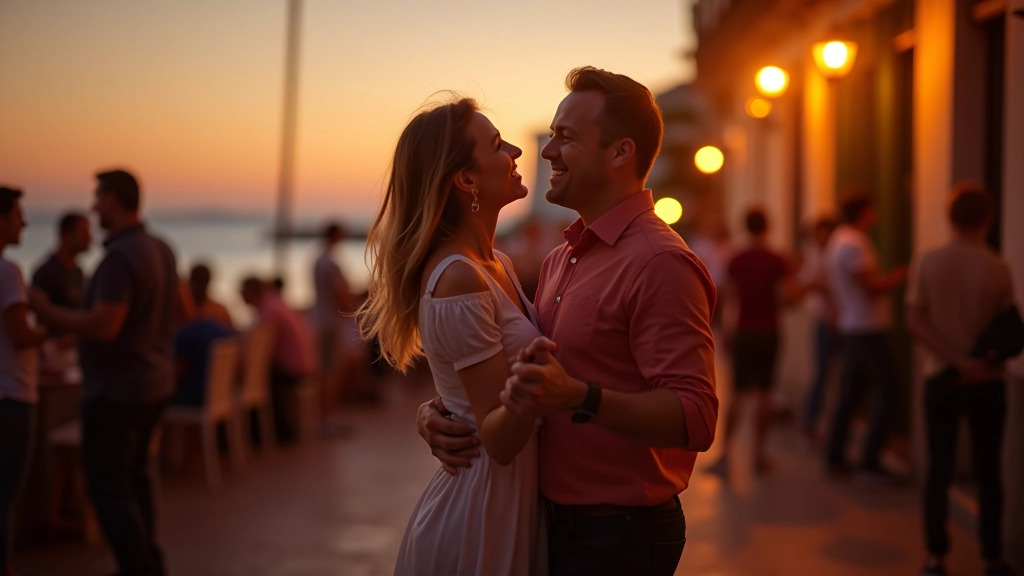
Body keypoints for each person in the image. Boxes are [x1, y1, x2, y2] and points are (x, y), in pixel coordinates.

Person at [419, 67, 719, 576]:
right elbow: (512, 371)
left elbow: (696, 417)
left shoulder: (658, 262)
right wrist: (443, 408)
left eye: (566, 137)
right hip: (548, 522)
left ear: (621, 153)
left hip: (616, 533)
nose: (545, 151)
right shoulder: (565, 256)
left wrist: (581, 397)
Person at [356, 96, 544, 575]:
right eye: (499, 145)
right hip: (480, 513)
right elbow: (498, 440)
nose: (517, 154)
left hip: (504, 502)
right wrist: (534, 387)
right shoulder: (460, 279)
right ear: (466, 180)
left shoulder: (494, 264)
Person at [29, 169, 187, 576]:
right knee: (136, 479)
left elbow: (105, 325)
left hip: (118, 391)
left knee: (109, 488)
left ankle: (139, 568)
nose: (94, 207)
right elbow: (183, 312)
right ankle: (148, 562)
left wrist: (48, 313)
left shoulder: (120, 256)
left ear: (114, 200)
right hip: (154, 384)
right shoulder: (162, 248)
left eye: (97, 198)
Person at [906, 184, 1017, 576]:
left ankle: (936, 556)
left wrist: (955, 360)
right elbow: (1008, 327)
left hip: (942, 377)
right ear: (987, 218)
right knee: (990, 470)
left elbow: (915, 320)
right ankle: (990, 556)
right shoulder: (998, 266)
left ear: (949, 216)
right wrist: (976, 363)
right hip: (989, 381)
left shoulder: (928, 260)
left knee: (939, 467)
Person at [822, 189, 907, 481]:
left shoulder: (839, 240)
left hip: (853, 325)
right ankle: (870, 461)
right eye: (873, 208)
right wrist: (900, 276)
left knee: (851, 394)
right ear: (865, 211)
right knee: (889, 391)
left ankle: (836, 456)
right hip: (866, 328)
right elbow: (869, 286)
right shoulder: (853, 243)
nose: (877, 214)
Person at [707, 208, 796, 477]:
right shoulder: (778, 259)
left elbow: (729, 297)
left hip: (744, 332)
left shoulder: (737, 259)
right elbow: (786, 298)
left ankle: (725, 457)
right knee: (765, 395)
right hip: (769, 332)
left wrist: (724, 331)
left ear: (745, 227)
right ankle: (759, 456)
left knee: (738, 394)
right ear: (767, 227)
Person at [0, 187, 46, 576]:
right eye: (18, 215)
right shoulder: (8, 271)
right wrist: (47, 323)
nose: (25, 222)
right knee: (6, 493)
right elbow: (20, 334)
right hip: (12, 395)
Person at [239, 276, 315, 443]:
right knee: (261, 378)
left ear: (251, 293)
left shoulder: (269, 309)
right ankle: (270, 431)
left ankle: (272, 432)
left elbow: (258, 345)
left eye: (242, 292)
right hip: (302, 365)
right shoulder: (276, 304)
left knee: (257, 380)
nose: (240, 296)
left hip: (293, 369)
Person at [311, 222, 374, 411]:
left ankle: (327, 415)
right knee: (330, 370)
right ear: (336, 236)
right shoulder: (330, 263)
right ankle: (328, 416)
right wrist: (356, 307)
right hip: (331, 322)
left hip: (320, 319)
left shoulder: (319, 260)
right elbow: (341, 295)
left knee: (326, 369)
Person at [31, 211, 90, 371]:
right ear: (67, 234)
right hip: (54, 358)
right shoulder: (46, 272)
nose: (90, 239)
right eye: (84, 233)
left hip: (75, 355)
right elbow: (39, 316)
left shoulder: (78, 272)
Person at [800, 216, 838, 442]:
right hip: (824, 321)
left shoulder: (837, 253)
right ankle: (810, 425)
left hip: (840, 323)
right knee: (822, 374)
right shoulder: (817, 257)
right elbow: (806, 283)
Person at [187, 263, 234, 332]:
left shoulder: (220, 311)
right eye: (196, 279)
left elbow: (229, 336)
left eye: (202, 280)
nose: (199, 284)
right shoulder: (181, 309)